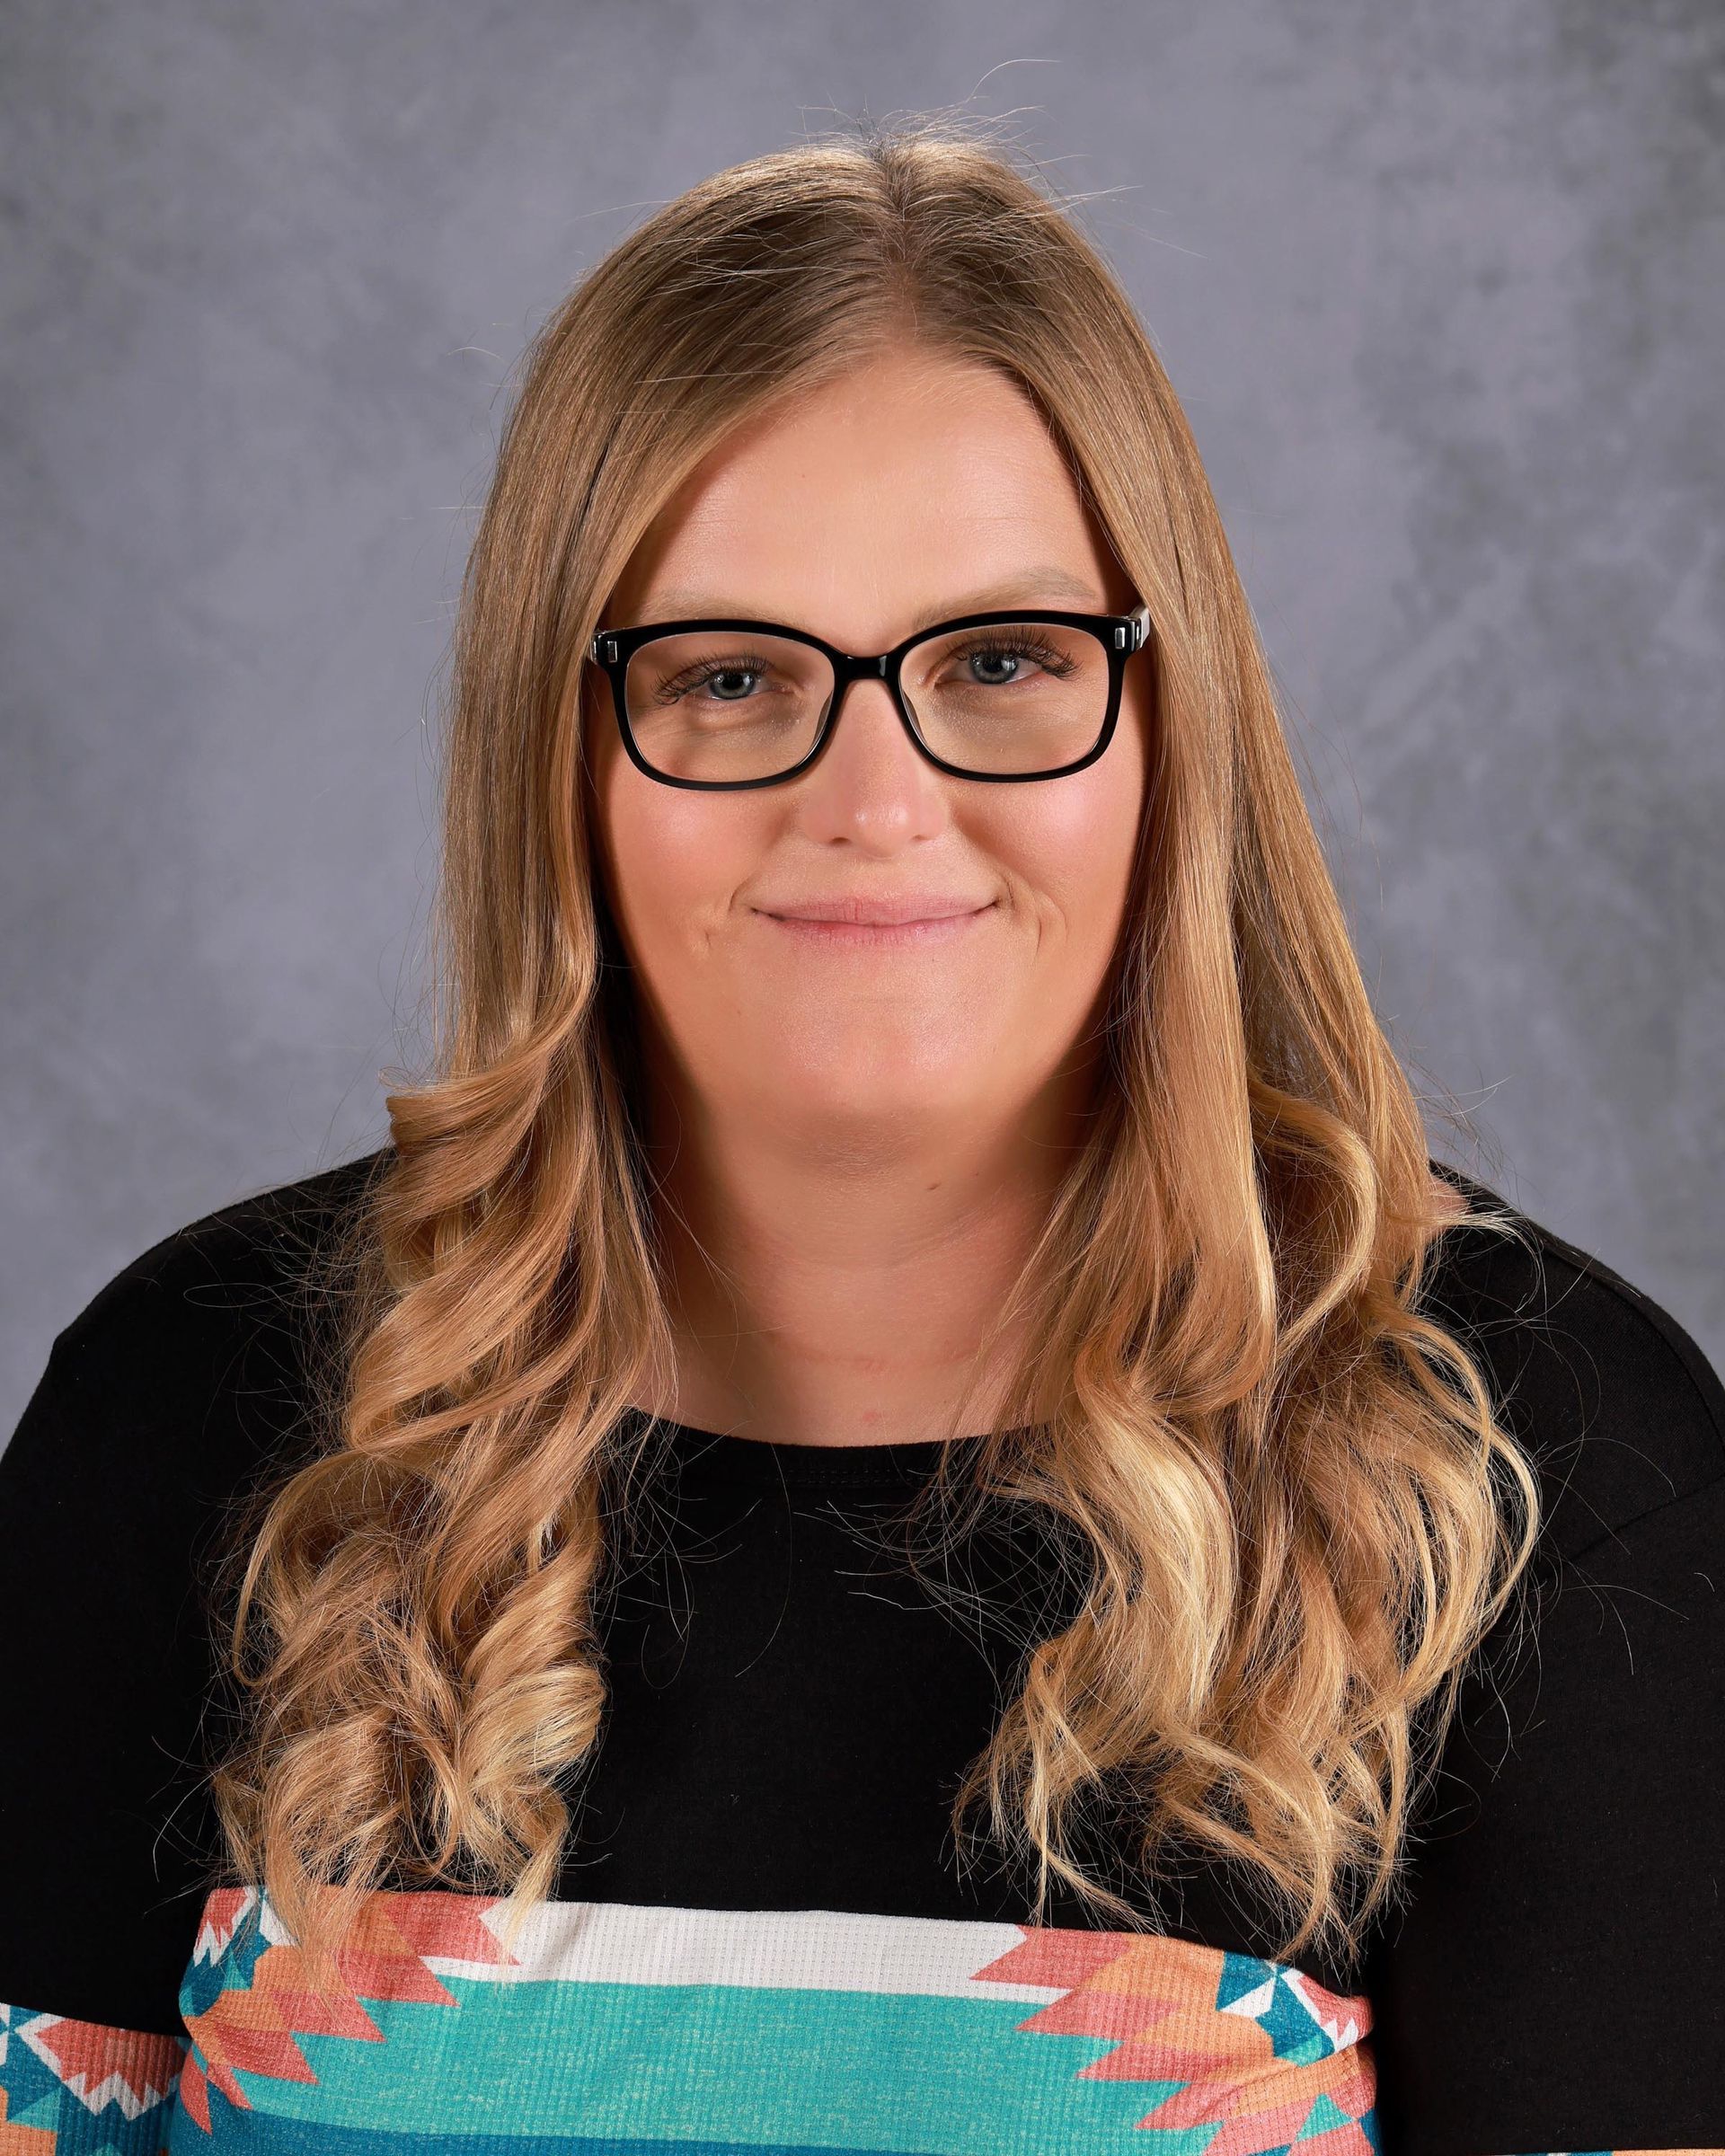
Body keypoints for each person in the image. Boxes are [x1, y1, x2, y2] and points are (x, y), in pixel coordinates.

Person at [1, 121, 1720, 2156]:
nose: (878, 798)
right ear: (558, 755)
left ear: (1170, 726)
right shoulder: (193, 1414)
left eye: (1002, 663)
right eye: (730, 677)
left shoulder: (1525, 1469)